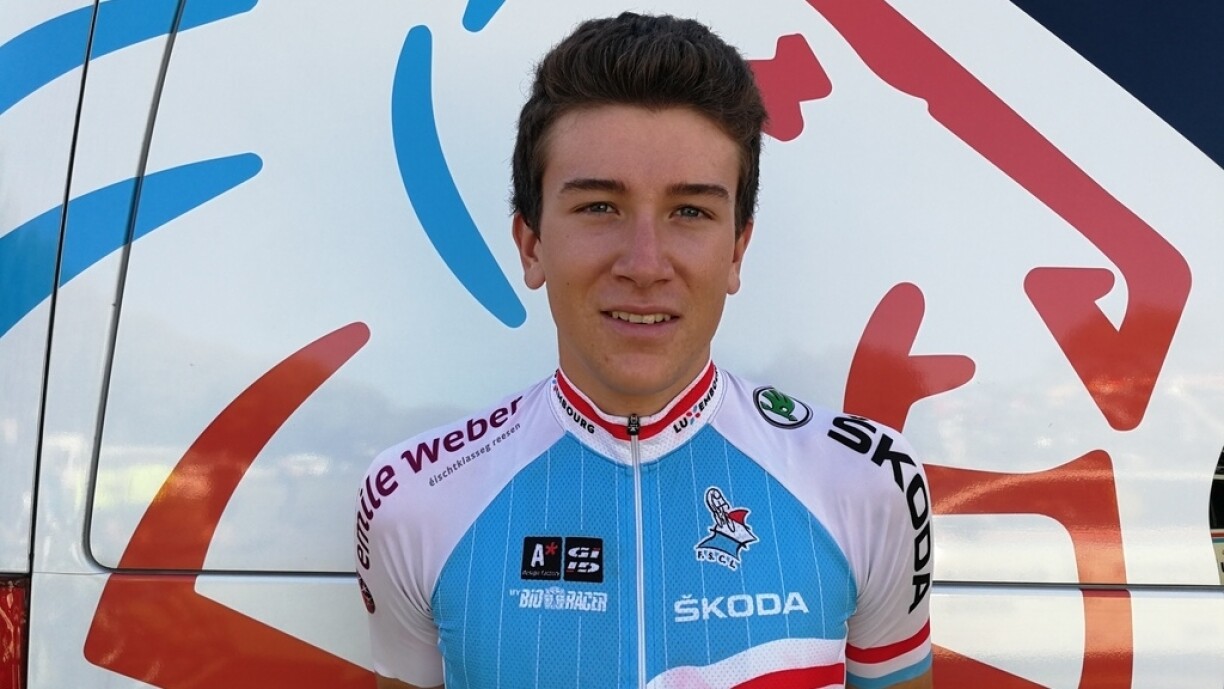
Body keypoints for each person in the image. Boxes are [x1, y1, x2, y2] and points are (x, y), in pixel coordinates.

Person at [356, 12, 933, 689]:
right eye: (600, 207)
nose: (644, 263)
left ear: (737, 251)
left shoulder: (869, 481)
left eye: (690, 212)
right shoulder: (415, 499)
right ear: (531, 245)